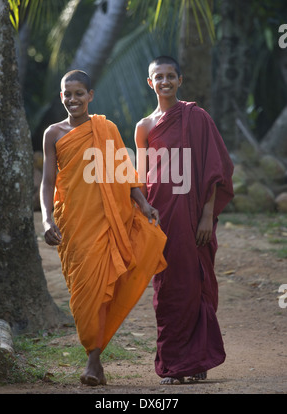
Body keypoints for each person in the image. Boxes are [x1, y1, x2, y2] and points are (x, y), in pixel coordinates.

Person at [40, 69, 167, 386]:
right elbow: (46, 183)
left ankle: (93, 360)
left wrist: (144, 204)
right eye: (67, 95)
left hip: (108, 220)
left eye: (79, 94)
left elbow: (124, 173)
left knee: (103, 290)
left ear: (90, 96)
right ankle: (93, 355)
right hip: (74, 223)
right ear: (61, 97)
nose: (73, 100)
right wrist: (45, 219)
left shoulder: (105, 128)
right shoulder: (53, 134)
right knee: (84, 293)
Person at [134, 55, 234, 384]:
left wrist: (207, 215)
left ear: (180, 80)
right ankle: (174, 363)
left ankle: (198, 358)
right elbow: (143, 175)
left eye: (170, 76)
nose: (164, 81)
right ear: (150, 82)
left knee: (195, 283)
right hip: (160, 216)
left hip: (193, 216)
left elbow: (215, 169)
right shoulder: (145, 126)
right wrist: (143, 212)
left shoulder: (197, 117)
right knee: (167, 289)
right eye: (158, 77)